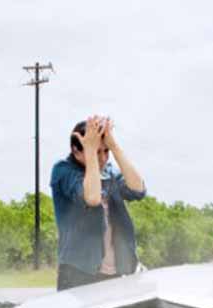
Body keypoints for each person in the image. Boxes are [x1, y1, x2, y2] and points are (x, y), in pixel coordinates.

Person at [50, 115, 147, 290]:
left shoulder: (109, 171)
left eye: (105, 151)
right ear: (76, 150)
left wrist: (115, 147)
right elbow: (92, 197)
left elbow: (138, 190)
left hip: (116, 273)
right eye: (96, 152)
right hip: (78, 274)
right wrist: (90, 150)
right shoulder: (63, 171)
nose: (103, 159)